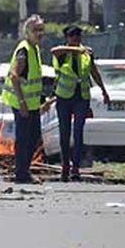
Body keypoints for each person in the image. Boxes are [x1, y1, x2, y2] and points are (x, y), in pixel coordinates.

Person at [51, 25, 112, 181]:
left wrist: (104, 90)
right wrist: (75, 50)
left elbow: (93, 72)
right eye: (72, 36)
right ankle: (65, 166)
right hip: (64, 97)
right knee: (65, 133)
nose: (76, 39)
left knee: (78, 132)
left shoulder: (87, 54)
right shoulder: (63, 53)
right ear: (67, 38)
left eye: (78, 36)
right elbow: (54, 51)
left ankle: (76, 168)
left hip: (81, 97)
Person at [4, 15, 46, 183]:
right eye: (36, 30)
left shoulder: (34, 49)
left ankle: (24, 171)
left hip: (32, 104)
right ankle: (21, 174)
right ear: (27, 32)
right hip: (22, 104)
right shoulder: (24, 50)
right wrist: (22, 103)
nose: (39, 33)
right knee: (24, 139)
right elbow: (14, 76)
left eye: (41, 30)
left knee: (34, 137)